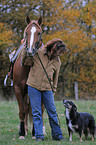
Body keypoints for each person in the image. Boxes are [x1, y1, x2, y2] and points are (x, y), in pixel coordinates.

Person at [22, 38, 66, 141]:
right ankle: (39, 136)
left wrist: (53, 90)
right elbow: (26, 62)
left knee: (52, 112)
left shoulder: (57, 62)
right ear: (53, 49)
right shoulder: (39, 53)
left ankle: (57, 135)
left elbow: (56, 78)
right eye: (58, 52)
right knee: (36, 112)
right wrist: (25, 50)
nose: (59, 55)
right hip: (33, 87)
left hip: (47, 89)